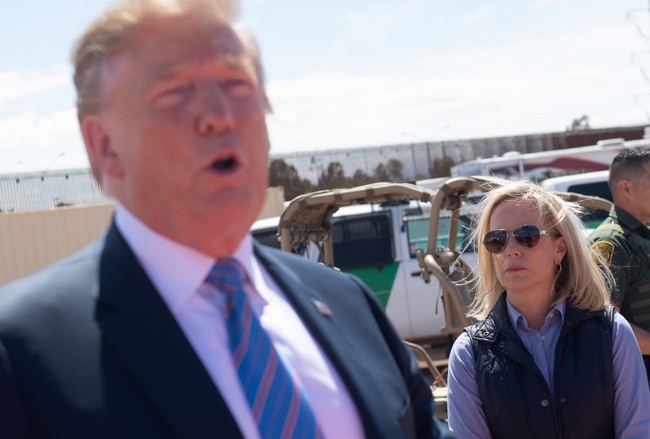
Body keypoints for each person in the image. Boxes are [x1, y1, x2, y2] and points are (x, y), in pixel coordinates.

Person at [0, 0, 444, 437]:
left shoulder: (350, 305)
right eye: (174, 93)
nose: (219, 116)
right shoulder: (20, 357)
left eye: (236, 85)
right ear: (105, 146)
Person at [446, 180, 650, 438]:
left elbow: (638, 431)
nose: (510, 250)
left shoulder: (612, 332)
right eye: (496, 240)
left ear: (560, 248)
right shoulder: (468, 354)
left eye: (527, 236)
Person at [590, 148, 650, 384]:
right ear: (626, 187)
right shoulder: (610, 243)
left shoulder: (642, 235)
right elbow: (603, 323)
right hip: (639, 382)